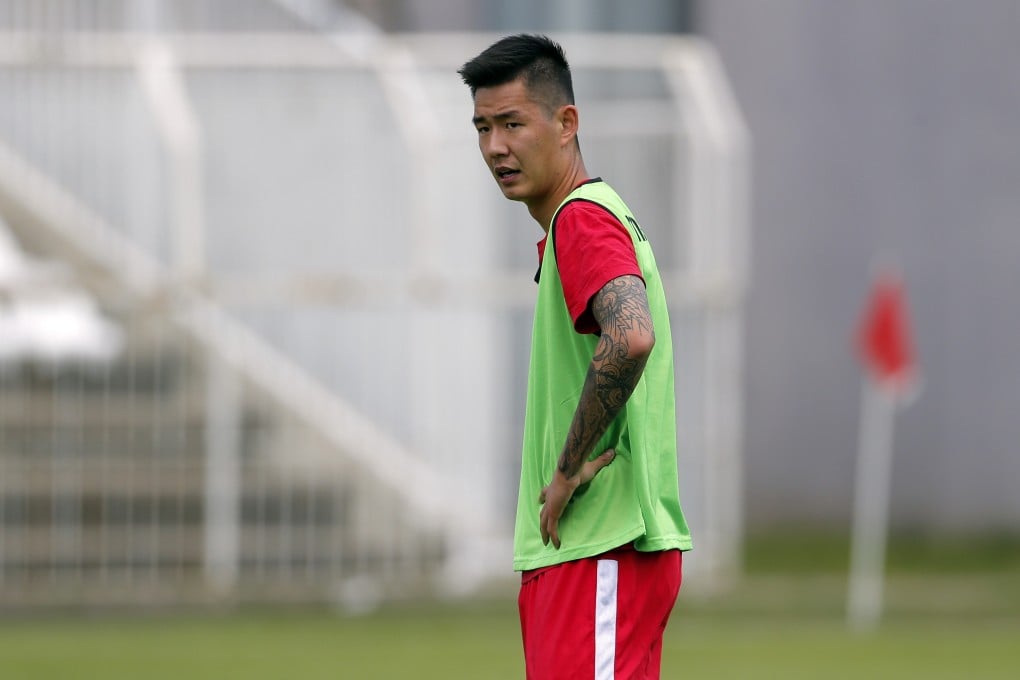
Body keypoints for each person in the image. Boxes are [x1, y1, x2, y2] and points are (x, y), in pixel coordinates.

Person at [459, 35, 693, 679]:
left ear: (567, 124)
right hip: (595, 554)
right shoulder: (587, 220)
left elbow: (631, 335)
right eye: (482, 127)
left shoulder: (581, 220)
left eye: (512, 123)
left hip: (600, 546)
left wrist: (565, 472)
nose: (495, 147)